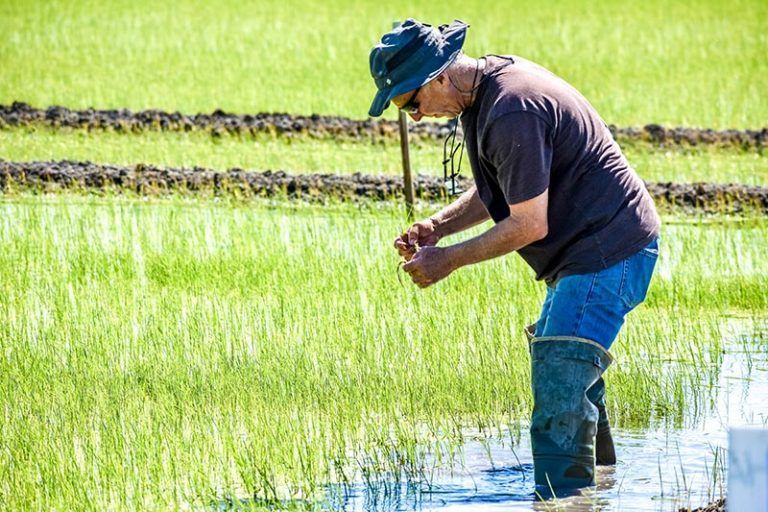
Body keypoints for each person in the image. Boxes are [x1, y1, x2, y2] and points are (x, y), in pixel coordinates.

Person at [367, 18, 661, 489]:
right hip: (590, 252)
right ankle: (600, 487)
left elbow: (528, 223)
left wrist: (448, 260)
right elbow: (505, 187)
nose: (416, 117)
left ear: (439, 75)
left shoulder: (512, 109)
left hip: (609, 251)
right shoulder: (482, 96)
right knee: (569, 369)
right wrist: (437, 227)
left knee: (560, 370)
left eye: (413, 103)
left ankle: (562, 497)